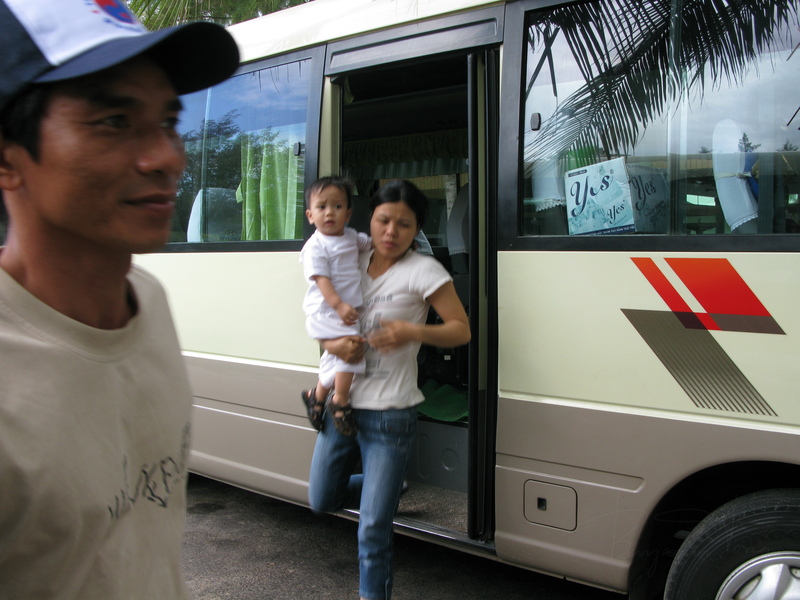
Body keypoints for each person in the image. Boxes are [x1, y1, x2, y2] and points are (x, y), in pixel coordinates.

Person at [0, 1, 239, 597]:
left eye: (169, 121)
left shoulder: (148, 303)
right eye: (113, 121)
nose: (167, 158)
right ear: (7, 157)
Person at [308, 179, 471, 600]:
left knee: (373, 528)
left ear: (417, 228)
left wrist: (412, 331)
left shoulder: (424, 270)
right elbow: (319, 315)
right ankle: (387, 485)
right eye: (383, 220)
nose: (391, 232)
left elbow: (461, 330)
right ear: (370, 219)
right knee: (322, 499)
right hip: (341, 407)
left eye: (404, 224)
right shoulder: (349, 256)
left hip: (390, 415)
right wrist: (331, 345)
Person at [300, 177, 372, 435]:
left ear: (348, 214)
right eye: (322, 207)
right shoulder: (315, 246)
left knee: (336, 357)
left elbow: (371, 243)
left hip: (339, 311)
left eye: (337, 206)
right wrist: (340, 305)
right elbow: (322, 280)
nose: (329, 212)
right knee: (352, 351)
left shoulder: (351, 237)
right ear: (310, 216)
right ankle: (340, 400)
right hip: (326, 310)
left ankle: (316, 396)